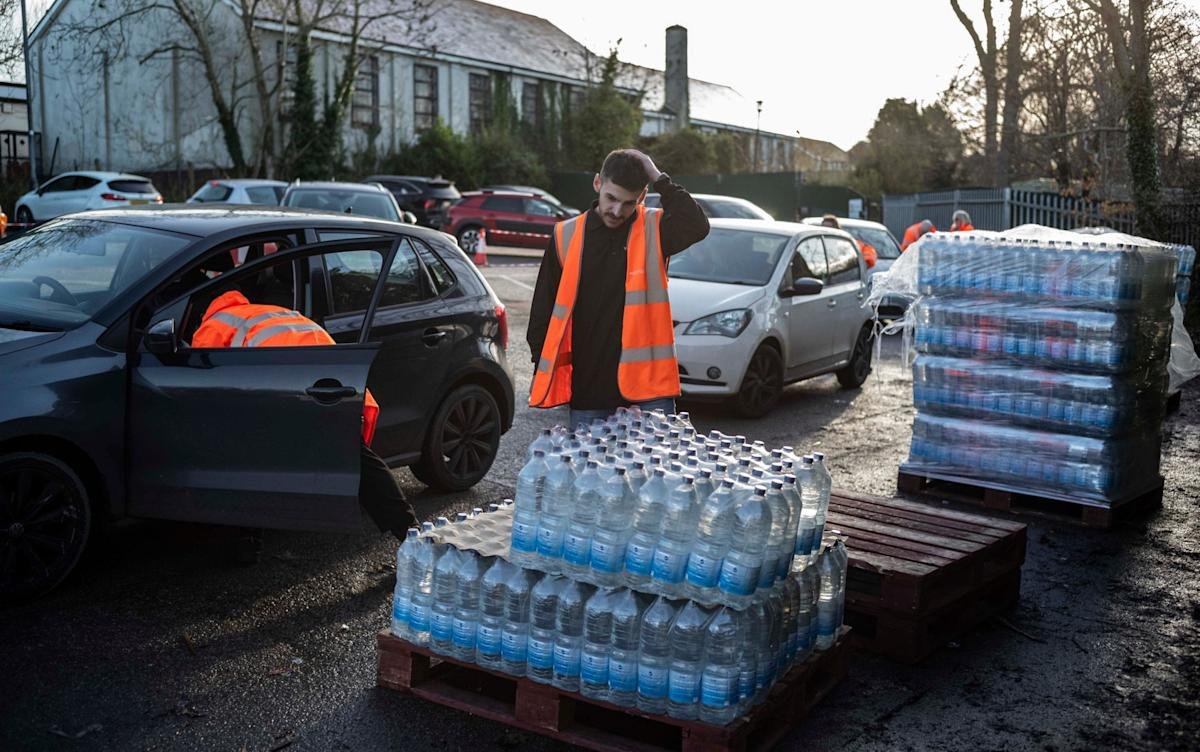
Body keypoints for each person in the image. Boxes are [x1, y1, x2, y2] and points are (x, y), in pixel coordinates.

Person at [192, 289, 416, 539]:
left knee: (245, 458)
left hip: (287, 384)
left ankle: (246, 539)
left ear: (203, 313)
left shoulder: (213, 325)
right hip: (334, 376)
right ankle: (411, 532)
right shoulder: (264, 309)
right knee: (357, 455)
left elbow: (203, 387)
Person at [528, 149, 709, 430]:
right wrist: (550, 370)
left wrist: (657, 174)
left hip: (649, 391)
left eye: (627, 203)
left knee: (654, 473)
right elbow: (543, 311)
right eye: (611, 198)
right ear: (597, 183)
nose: (616, 211)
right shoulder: (566, 235)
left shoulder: (655, 228)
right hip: (589, 391)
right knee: (589, 474)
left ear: (641, 196)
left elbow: (697, 225)